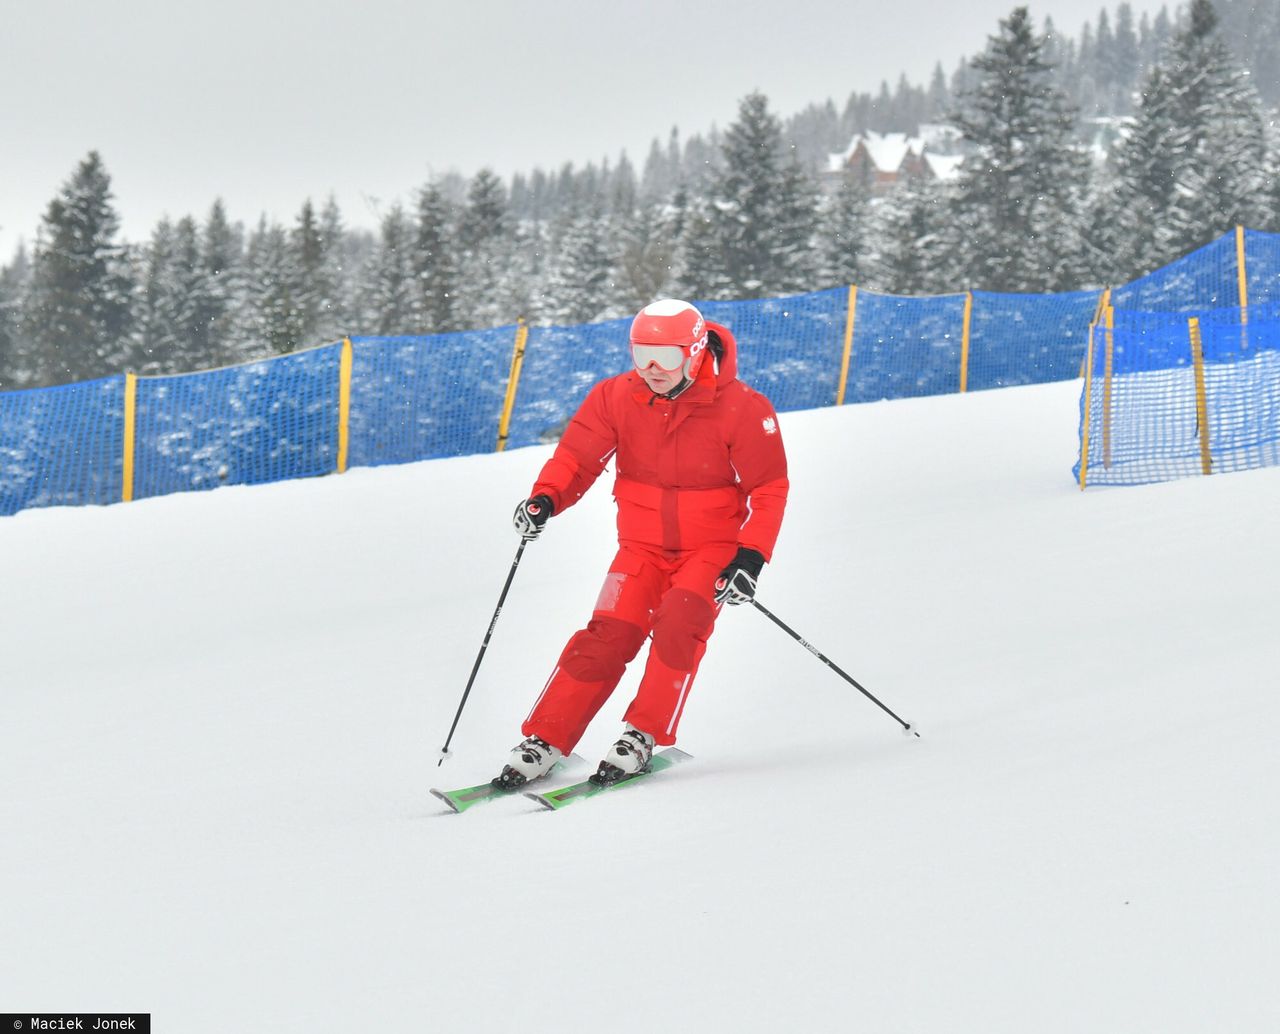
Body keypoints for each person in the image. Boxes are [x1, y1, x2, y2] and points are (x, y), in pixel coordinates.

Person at [495, 299, 789, 788]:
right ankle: (545, 739)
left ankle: (641, 735)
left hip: (711, 548)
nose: (653, 369)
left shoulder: (742, 407)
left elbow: (770, 487)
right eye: (641, 354)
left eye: (667, 357)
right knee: (606, 636)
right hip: (640, 547)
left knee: (680, 621)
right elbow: (578, 457)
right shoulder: (615, 398)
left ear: (695, 353)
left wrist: (751, 556)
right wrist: (546, 498)